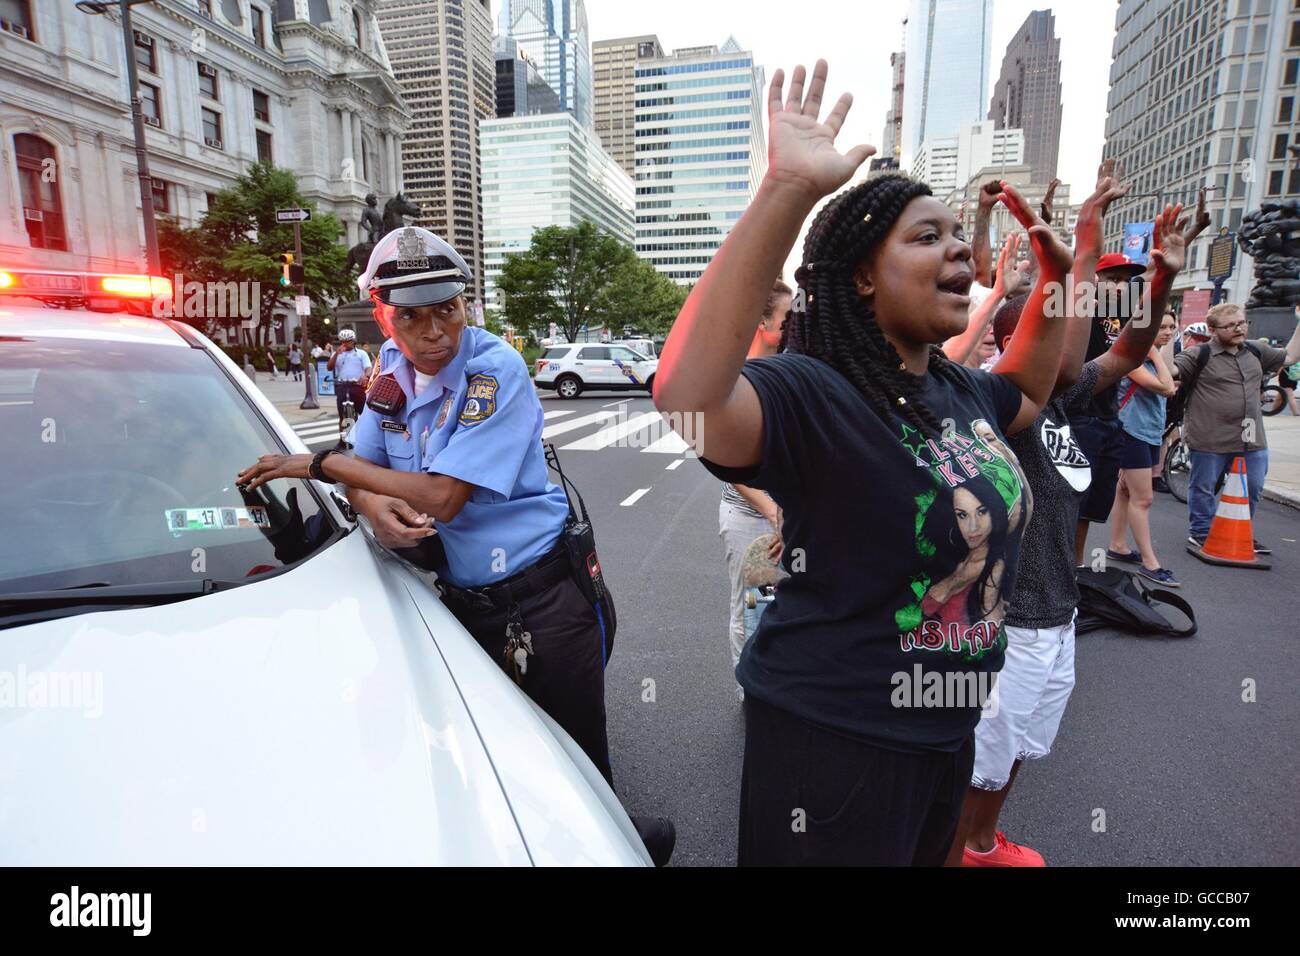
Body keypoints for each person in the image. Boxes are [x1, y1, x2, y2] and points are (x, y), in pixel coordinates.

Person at [654, 60, 1075, 866]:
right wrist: (785, 189)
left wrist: (1056, 282)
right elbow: (688, 400)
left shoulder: (952, 386)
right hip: (836, 746)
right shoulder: (817, 391)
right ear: (858, 276)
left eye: (958, 236)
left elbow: (1026, 388)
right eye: (926, 237)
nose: (958, 249)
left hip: (946, 726)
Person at [236, 226, 675, 865]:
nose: (435, 331)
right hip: (462, 601)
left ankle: (620, 847)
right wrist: (365, 498)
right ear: (384, 317)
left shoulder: (492, 368)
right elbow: (369, 458)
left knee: (575, 758)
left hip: (544, 598)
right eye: (412, 316)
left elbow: (442, 497)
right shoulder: (389, 375)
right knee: (501, 753)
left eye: (448, 309)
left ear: (466, 304)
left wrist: (320, 467)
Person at [953, 170, 1186, 867]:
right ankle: (959, 847)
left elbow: (1126, 350)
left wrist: (1161, 281)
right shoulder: (998, 402)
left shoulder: (1064, 394)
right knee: (983, 759)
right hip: (1012, 619)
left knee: (1022, 744)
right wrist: (1079, 250)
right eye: (1050, 334)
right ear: (1014, 344)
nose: (1069, 347)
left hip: (1059, 613)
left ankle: (982, 842)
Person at [1174, 302, 1300, 552]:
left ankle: (1238, 528)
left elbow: (1290, 357)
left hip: (1250, 436)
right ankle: (1200, 531)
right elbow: (1170, 371)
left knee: (1252, 486)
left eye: (1242, 323)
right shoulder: (1199, 355)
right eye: (1230, 325)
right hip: (1210, 435)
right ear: (1212, 329)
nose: (1239, 329)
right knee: (1204, 487)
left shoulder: (1255, 350)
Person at [719, 278, 791, 699]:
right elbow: (728, 464)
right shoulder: (734, 379)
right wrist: (773, 511)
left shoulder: (789, 370)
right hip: (752, 519)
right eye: (788, 318)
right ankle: (753, 693)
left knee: (790, 606)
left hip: (790, 519)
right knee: (752, 608)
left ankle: (782, 688)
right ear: (764, 324)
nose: (796, 325)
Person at [1106, 310, 1180, 585]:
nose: (1168, 332)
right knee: (1144, 498)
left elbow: (1169, 376)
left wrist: (1158, 354)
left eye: (1172, 327)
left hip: (1149, 431)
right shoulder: (1133, 359)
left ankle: (1117, 545)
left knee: (1125, 490)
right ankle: (1150, 563)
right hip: (1131, 431)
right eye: (1161, 327)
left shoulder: (1154, 356)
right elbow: (1166, 387)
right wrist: (1154, 354)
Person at [327, 329, 372, 428]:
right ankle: (342, 442)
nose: (345, 344)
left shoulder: (361, 353)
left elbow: (368, 368)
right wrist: (336, 354)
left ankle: (366, 437)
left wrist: (365, 376)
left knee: (365, 414)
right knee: (342, 416)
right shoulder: (337, 353)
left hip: (357, 386)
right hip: (342, 386)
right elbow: (329, 367)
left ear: (353, 341)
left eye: (348, 341)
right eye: (343, 341)